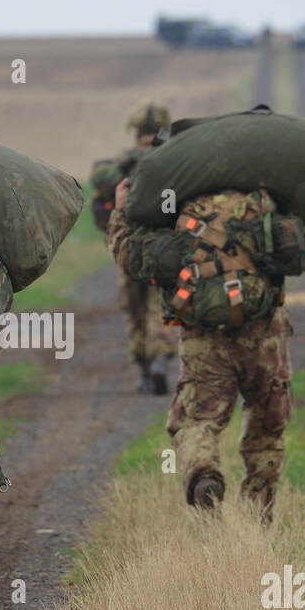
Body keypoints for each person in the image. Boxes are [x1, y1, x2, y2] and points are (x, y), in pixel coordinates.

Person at [105, 182, 305, 519]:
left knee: (195, 420)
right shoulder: (264, 208)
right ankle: (258, 519)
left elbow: (130, 256)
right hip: (264, 334)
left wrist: (120, 212)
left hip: (204, 337)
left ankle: (203, 471)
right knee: (266, 426)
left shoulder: (181, 212)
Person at [89, 101, 178, 394]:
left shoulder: (124, 163)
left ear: (137, 130)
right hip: (164, 247)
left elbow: (100, 179)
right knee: (160, 305)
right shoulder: (175, 159)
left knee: (135, 309)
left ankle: (143, 369)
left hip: (129, 247)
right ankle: (160, 360)